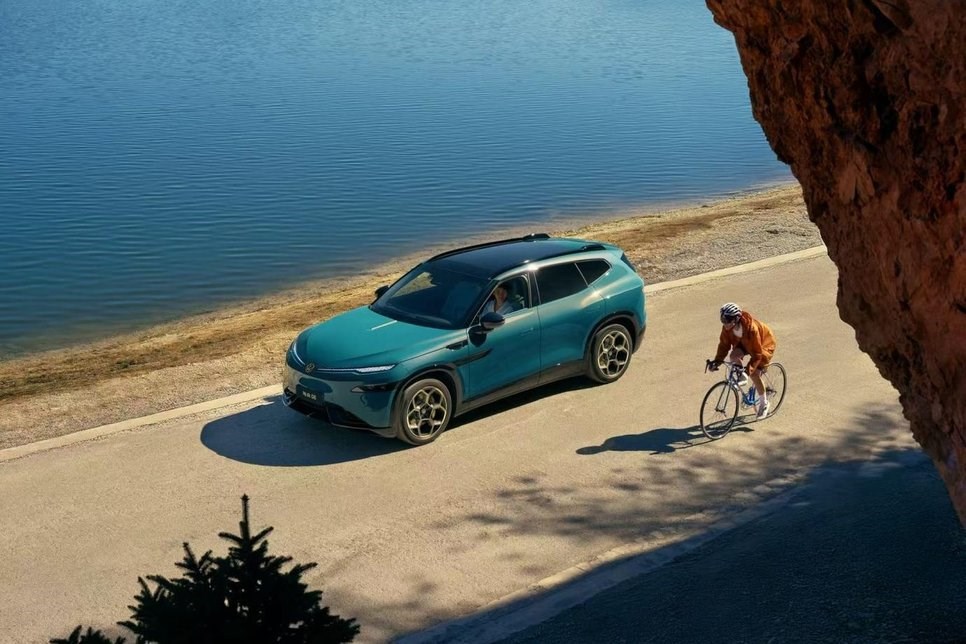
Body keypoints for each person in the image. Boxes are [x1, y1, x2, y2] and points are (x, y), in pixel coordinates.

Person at [709, 302, 777, 418]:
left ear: (736, 319)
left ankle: (764, 403)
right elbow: (724, 345)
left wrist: (747, 371)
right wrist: (717, 362)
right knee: (733, 356)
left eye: (727, 320)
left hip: (763, 345)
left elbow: (757, 355)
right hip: (745, 343)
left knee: (754, 374)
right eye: (722, 320)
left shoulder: (752, 329)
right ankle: (742, 377)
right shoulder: (727, 328)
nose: (724, 323)